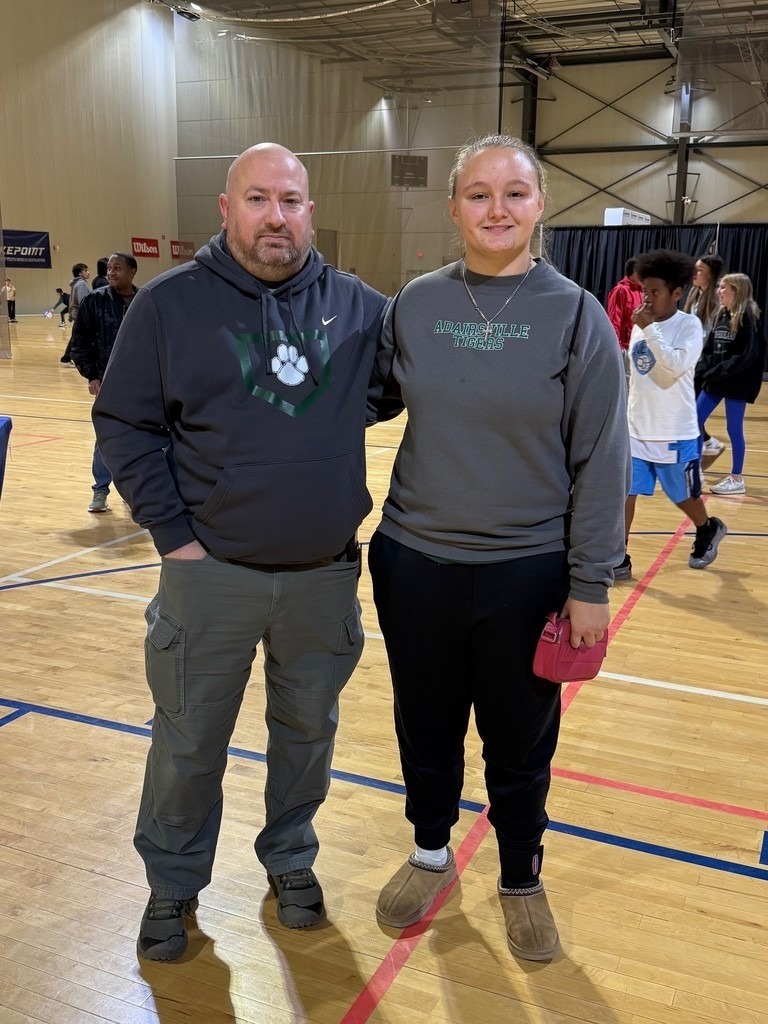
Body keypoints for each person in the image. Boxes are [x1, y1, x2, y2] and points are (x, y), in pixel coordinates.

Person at [93, 143, 389, 961]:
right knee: (188, 743)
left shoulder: (360, 307)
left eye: (290, 201)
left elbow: (393, 390)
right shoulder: (169, 305)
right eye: (257, 199)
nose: (275, 217)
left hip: (322, 578)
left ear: (310, 211)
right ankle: (173, 884)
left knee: (307, 737)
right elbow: (124, 422)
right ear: (226, 210)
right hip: (209, 575)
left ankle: (290, 860)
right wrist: (175, 537)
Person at [366, 134, 629, 961]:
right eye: (478, 194)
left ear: (540, 204)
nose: (497, 210)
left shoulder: (577, 314)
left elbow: (602, 456)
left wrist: (590, 583)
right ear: (453, 208)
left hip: (527, 573)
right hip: (415, 561)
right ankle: (431, 851)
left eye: (515, 193)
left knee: (520, 737)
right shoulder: (415, 301)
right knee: (426, 722)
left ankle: (520, 874)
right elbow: (360, 401)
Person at [615, 250, 727, 581]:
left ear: (676, 293)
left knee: (683, 495)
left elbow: (673, 369)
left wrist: (649, 329)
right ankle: (619, 555)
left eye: (655, 292)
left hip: (675, 431)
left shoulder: (688, 326)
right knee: (625, 493)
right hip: (637, 429)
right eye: (643, 292)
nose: (646, 299)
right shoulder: (641, 327)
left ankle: (707, 528)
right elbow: (640, 376)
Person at [70, 253, 138, 512]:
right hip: (108, 385)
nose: (111, 273)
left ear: (132, 272)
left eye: (117, 268)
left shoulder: (144, 301)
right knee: (106, 439)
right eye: (109, 268)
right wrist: (92, 375)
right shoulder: (93, 301)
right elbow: (79, 344)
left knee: (142, 440)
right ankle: (100, 490)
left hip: (142, 386)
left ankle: (131, 491)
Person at [697, 273, 764, 495]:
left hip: (735, 382)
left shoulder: (748, 316)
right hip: (716, 380)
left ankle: (736, 478)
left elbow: (747, 356)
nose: (718, 291)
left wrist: (718, 371)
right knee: (694, 420)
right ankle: (695, 471)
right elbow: (709, 348)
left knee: (733, 428)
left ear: (736, 290)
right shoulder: (721, 314)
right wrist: (703, 369)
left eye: (723, 287)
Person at [684, 254, 725, 459]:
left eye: (700, 270)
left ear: (711, 275)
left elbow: (709, 332)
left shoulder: (716, 298)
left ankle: (700, 451)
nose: (695, 273)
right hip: (691, 359)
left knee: (692, 411)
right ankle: (708, 441)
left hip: (704, 362)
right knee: (688, 409)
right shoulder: (694, 293)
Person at [606, 257, 643, 359]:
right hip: (625, 347)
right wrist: (615, 346)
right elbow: (614, 320)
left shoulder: (642, 291)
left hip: (640, 346)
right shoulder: (620, 290)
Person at [60, 263, 89, 364]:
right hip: (81, 315)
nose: (88, 272)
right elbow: (83, 301)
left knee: (76, 336)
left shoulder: (76, 284)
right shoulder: (81, 284)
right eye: (86, 270)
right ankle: (70, 357)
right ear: (80, 273)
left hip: (76, 314)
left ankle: (66, 358)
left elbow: (72, 301)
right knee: (78, 337)